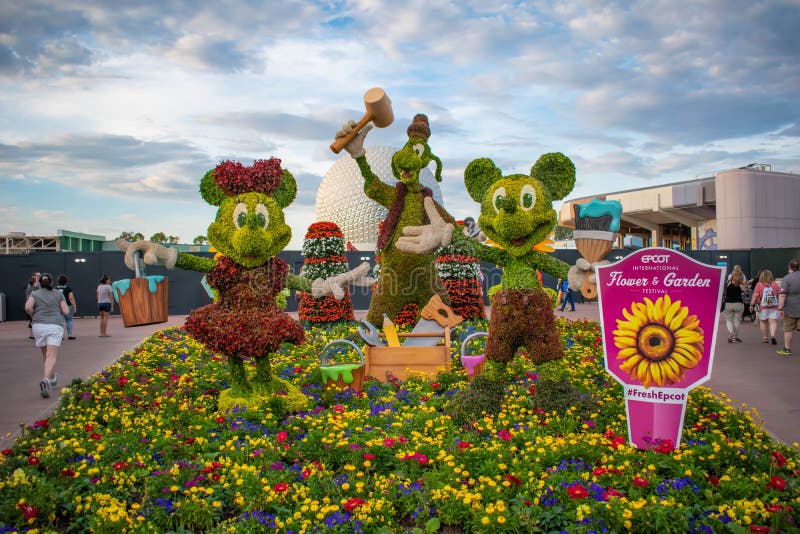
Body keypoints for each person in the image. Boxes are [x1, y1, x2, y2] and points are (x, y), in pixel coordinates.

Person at [24, 273, 68, 398]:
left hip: (38, 326)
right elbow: (66, 311)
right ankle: (46, 380)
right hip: (54, 325)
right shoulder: (58, 294)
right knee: (51, 356)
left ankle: (53, 378)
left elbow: (27, 307)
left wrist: (34, 316)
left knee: (45, 355)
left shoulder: (35, 294)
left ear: (40, 283)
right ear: (51, 282)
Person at [750, 269, 780, 345]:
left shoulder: (759, 284)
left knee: (763, 322)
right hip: (774, 306)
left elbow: (755, 295)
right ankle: (773, 336)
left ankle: (765, 338)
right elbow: (778, 294)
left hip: (763, 306)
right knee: (773, 322)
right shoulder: (775, 284)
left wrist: (751, 305)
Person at [776, 258, 799, 356]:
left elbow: (782, 295)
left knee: (788, 329)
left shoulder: (787, 278)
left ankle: (787, 349)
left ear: (789, 267)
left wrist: (780, 308)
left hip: (790, 309)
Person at [723, 267, 747, 343]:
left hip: (728, 303)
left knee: (729, 320)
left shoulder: (728, 283)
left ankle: (731, 332)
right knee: (737, 321)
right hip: (739, 304)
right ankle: (735, 337)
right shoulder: (741, 284)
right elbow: (745, 290)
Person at [55, 274, 77, 340]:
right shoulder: (68, 288)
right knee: (69, 320)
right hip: (68, 305)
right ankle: (70, 334)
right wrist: (74, 306)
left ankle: (60, 336)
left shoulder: (55, 289)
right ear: (65, 281)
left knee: (60, 321)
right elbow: (71, 298)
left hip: (59, 306)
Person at [25, 272, 40, 339]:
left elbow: (27, 297)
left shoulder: (28, 289)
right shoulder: (36, 288)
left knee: (31, 320)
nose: (38, 276)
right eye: (37, 275)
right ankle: (34, 334)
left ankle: (32, 334)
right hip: (35, 305)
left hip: (31, 305)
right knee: (35, 320)